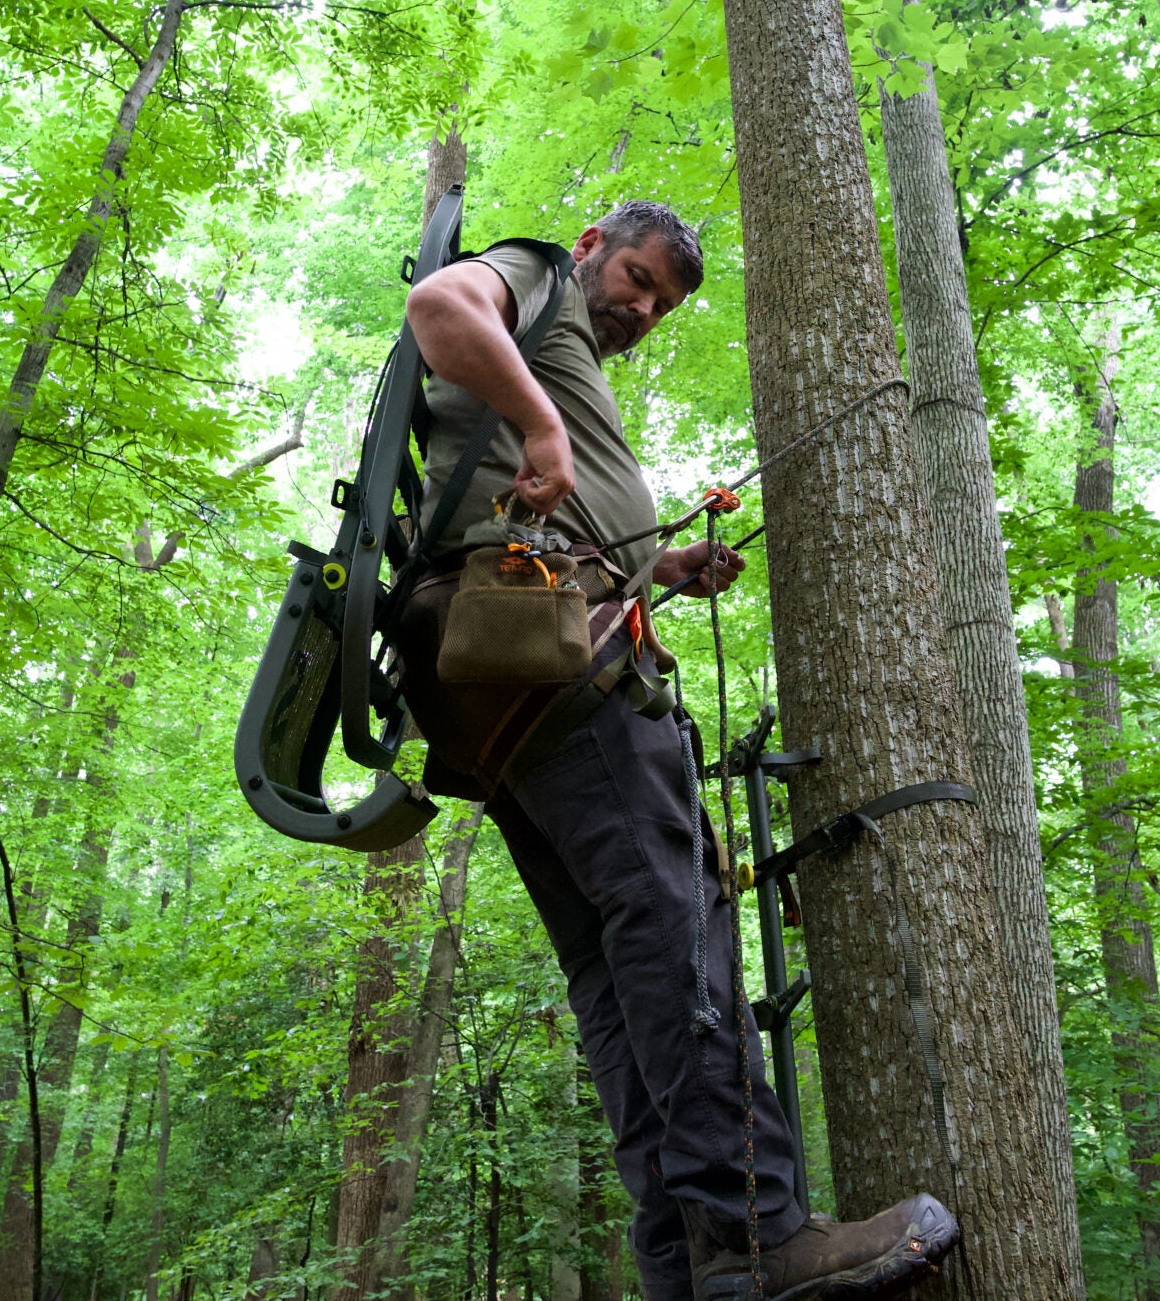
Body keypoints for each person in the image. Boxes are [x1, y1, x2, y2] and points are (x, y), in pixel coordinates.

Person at [403, 201, 959, 1301]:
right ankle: (758, 1233)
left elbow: (528, 500)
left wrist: (658, 565)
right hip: (552, 655)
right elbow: (439, 306)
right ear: (597, 241)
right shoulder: (533, 274)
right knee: (671, 922)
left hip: (501, 665)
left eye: (661, 302)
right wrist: (549, 428)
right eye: (640, 278)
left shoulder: (559, 336)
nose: (642, 308)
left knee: (617, 973)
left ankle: (692, 1267)